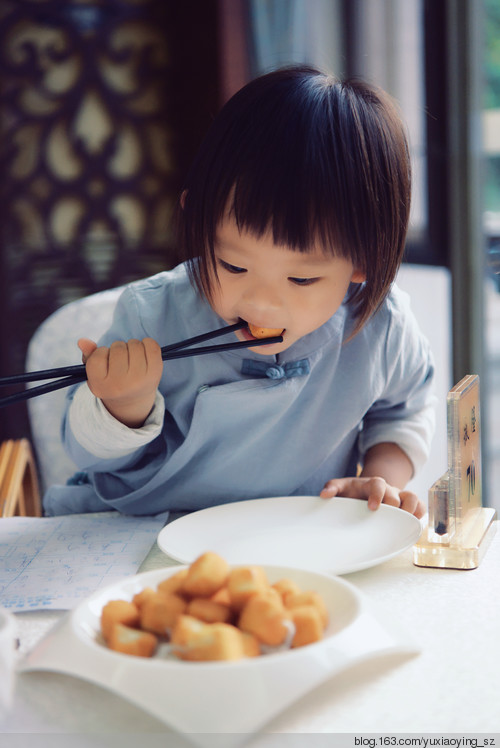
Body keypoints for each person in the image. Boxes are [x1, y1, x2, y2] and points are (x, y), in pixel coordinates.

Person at [44, 65, 435, 519]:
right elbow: (89, 458)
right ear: (199, 221)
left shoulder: (379, 325)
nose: (261, 302)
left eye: (302, 278)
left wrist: (381, 475)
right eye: (233, 264)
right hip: (149, 531)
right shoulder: (153, 317)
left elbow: (404, 411)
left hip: (299, 541)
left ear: (362, 261)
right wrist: (123, 408)